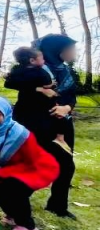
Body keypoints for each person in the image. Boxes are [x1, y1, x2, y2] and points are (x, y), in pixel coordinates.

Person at [0, 96, 59, 230]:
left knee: (13, 190)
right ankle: (13, 215)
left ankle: (28, 227)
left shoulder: (20, 134)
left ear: (6, 113)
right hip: (0, 167)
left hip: (35, 168)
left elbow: (31, 163)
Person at [34, 34, 79, 218]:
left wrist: (66, 107)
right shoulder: (36, 69)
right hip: (40, 124)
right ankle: (12, 200)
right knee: (33, 165)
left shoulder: (65, 70)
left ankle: (58, 205)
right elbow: (23, 91)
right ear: (56, 50)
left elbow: (72, 96)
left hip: (64, 124)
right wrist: (39, 90)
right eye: (70, 49)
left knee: (67, 166)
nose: (74, 52)